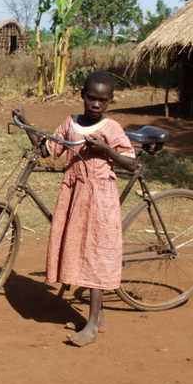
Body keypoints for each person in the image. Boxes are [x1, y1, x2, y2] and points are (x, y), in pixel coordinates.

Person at [13, 71, 137, 347]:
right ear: (82, 96)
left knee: (96, 253)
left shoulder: (112, 129)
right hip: (74, 194)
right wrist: (26, 124)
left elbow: (131, 164)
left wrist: (107, 149)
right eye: (91, 98)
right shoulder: (70, 124)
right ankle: (98, 318)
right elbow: (47, 150)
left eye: (102, 100)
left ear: (110, 102)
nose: (96, 104)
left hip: (99, 197)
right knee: (79, 249)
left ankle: (92, 325)